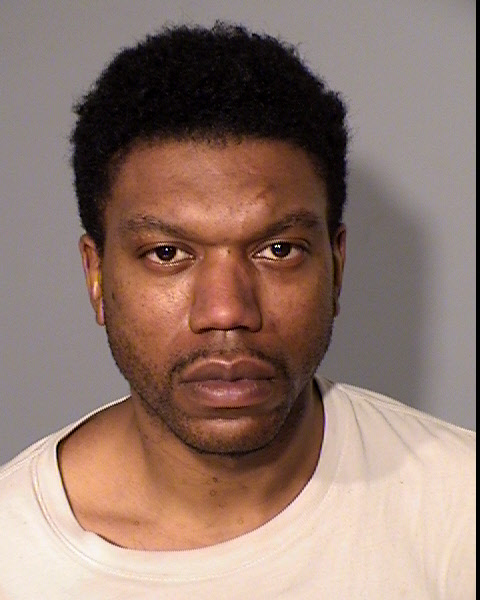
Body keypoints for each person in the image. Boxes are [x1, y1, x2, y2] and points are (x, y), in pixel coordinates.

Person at [0, 22, 475, 599]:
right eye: (167, 254)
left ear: (336, 264)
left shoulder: (460, 510)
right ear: (95, 275)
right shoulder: (13, 553)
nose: (226, 311)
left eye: (278, 250)